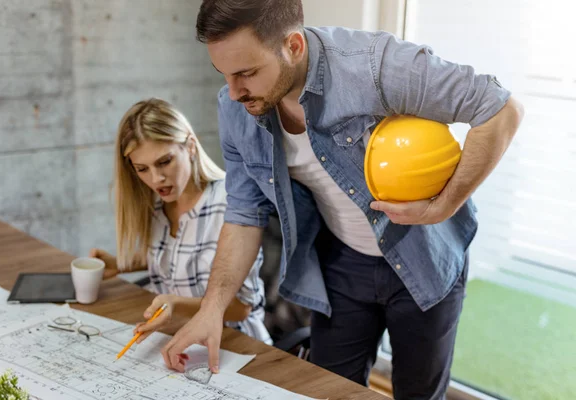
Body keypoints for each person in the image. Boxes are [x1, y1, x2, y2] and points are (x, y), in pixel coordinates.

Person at [157, 1, 524, 398]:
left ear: (293, 46)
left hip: (424, 256)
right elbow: (245, 213)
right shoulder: (235, 107)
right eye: (224, 75)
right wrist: (211, 310)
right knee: (328, 391)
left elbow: (500, 109)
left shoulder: (374, 65)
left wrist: (444, 205)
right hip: (341, 262)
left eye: (247, 73)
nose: (233, 92)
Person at [89, 98, 271, 344]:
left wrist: (176, 305)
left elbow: (242, 308)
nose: (157, 179)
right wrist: (122, 264)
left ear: (191, 147)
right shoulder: (157, 205)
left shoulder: (231, 205)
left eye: (165, 162)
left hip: (236, 345)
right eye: (142, 169)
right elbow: (181, 253)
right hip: (179, 338)